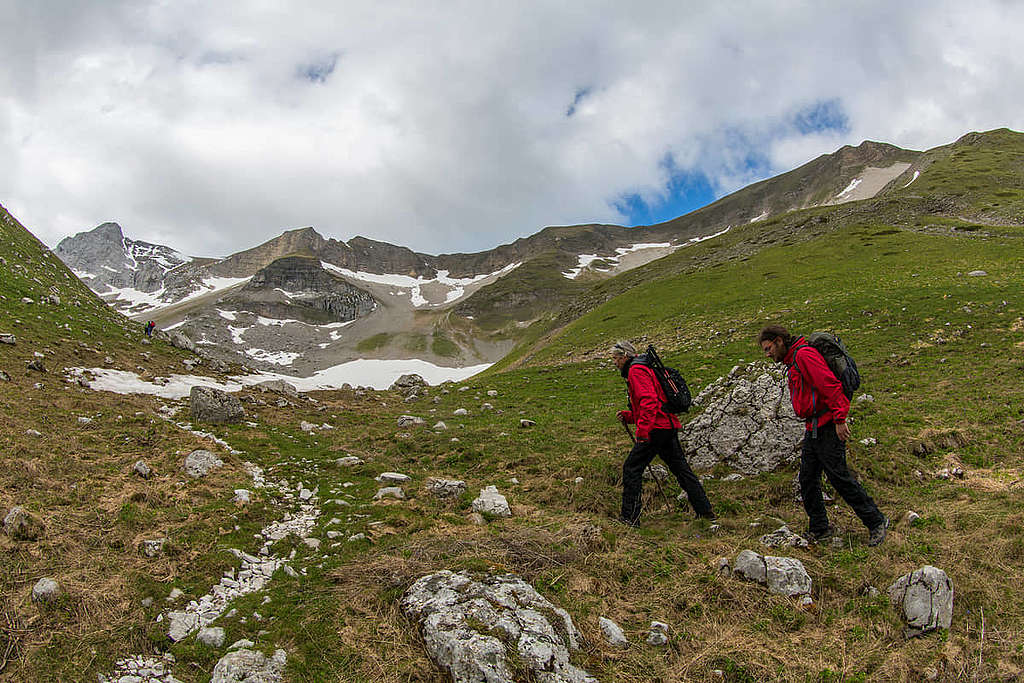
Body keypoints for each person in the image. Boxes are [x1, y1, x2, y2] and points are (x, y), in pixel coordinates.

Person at [758, 324, 888, 546]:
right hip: (814, 427)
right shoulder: (794, 360)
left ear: (780, 341)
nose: (768, 354)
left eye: (769, 348)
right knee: (807, 479)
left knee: (839, 477)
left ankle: (875, 521)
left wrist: (839, 419)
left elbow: (830, 386)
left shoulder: (805, 356)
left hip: (827, 425)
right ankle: (819, 528)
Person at [612, 340, 714, 526]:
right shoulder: (644, 367)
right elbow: (653, 402)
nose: (614, 362)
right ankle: (705, 510)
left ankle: (630, 518)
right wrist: (629, 416)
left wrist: (642, 431)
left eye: (615, 358)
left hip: (655, 428)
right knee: (681, 469)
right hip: (667, 425)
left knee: (632, 468)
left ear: (624, 356)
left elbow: (649, 401)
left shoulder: (636, 371)